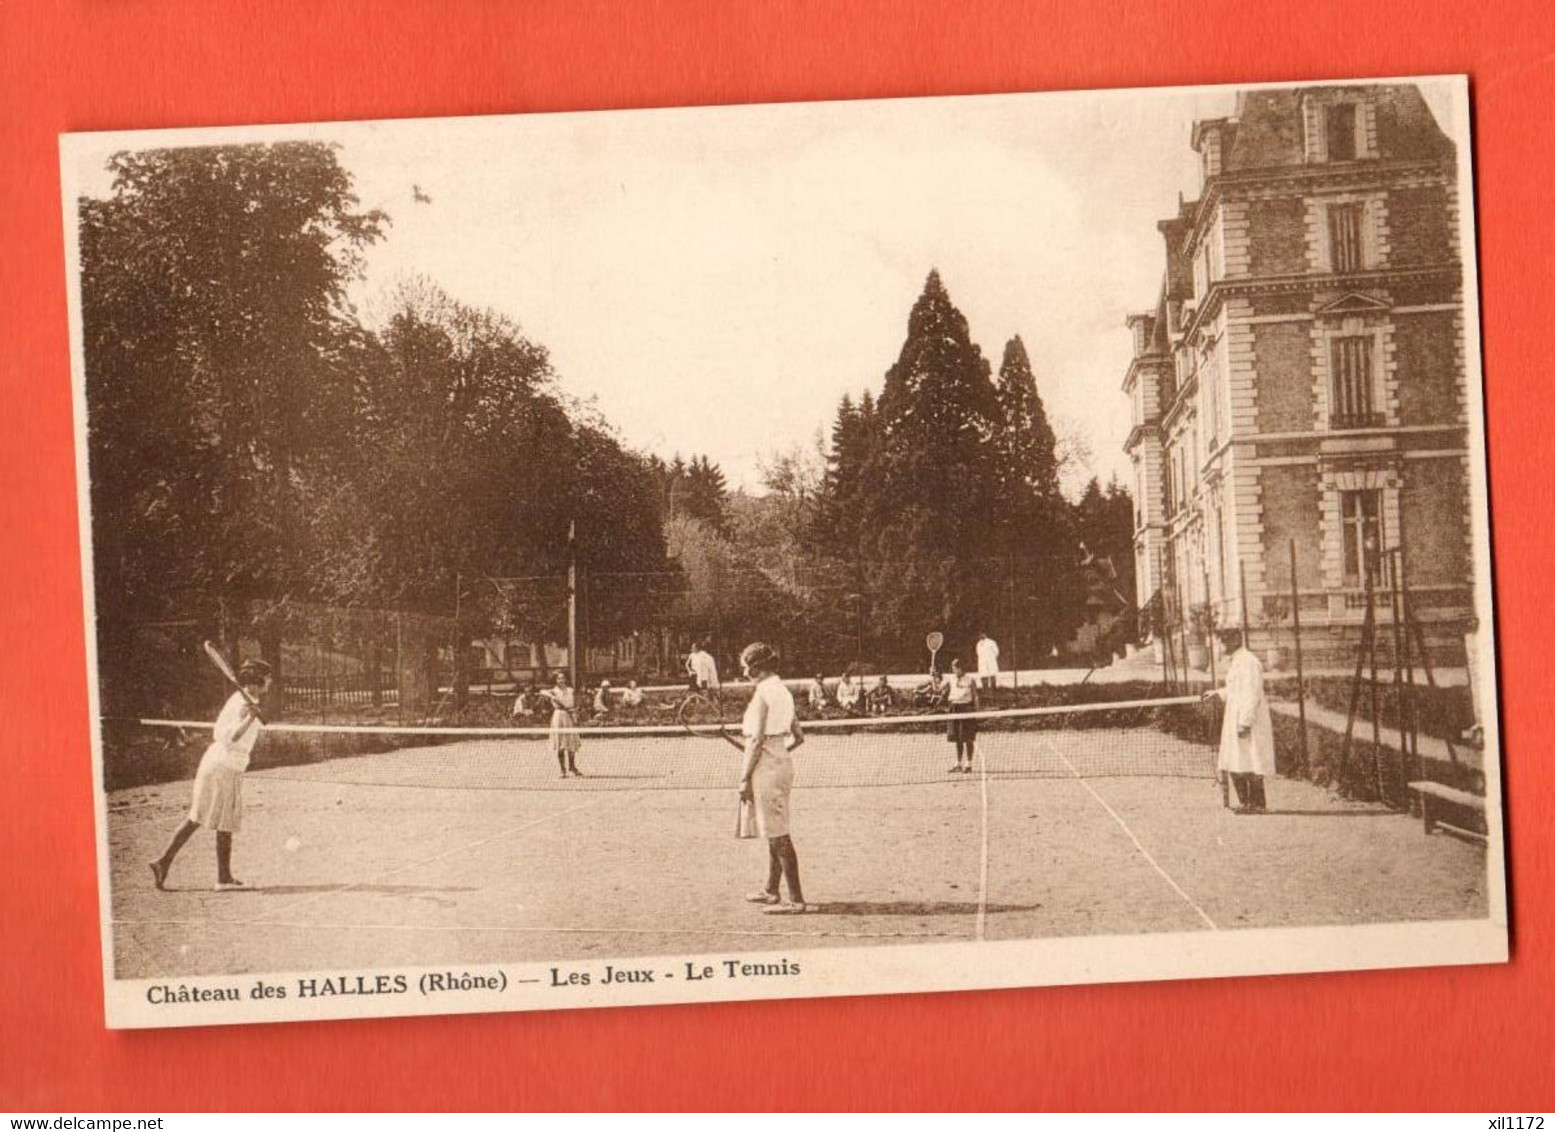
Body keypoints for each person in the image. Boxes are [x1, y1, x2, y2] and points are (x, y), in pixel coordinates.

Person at [149, 659, 272, 891]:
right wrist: (248, 718)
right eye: (267, 677)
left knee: (198, 818)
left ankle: (163, 862)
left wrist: (250, 715)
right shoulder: (241, 704)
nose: (270, 681)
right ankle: (223, 879)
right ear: (258, 680)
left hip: (217, 764)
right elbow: (229, 737)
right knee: (222, 822)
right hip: (224, 766)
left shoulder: (243, 700)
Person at [736, 641, 807, 914]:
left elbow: (755, 739)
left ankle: (796, 900)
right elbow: (799, 737)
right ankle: (771, 890)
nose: (744, 672)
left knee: (778, 833)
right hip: (781, 762)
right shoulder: (783, 692)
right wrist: (775, 753)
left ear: (756, 667)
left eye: (745, 667)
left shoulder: (764, 694)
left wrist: (744, 778)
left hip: (767, 767)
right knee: (773, 829)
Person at [1206, 627, 1275, 813]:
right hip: (1235, 716)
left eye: (1224, 641)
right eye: (1221, 641)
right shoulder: (1237, 661)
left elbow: (1252, 693)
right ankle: (1246, 803)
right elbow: (1235, 690)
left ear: (1236, 640)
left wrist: (1245, 722)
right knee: (1236, 760)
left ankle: (1258, 805)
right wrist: (1218, 693)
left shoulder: (1249, 662)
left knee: (1252, 760)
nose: (1222, 645)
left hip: (1248, 720)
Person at [540, 671, 583, 778]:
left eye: (563, 678)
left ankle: (572, 766)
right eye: (559, 678)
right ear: (555, 680)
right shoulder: (553, 691)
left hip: (569, 716)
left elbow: (576, 702)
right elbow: (541, 691)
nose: (561, 680)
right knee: (560, 743)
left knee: (571, 742)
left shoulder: (570, 690)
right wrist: (552, 696)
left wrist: (574, 713)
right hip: (558, 716)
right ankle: (562, 770)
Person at [942, 658, 980, 774]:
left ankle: (968, 764)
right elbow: (937, 688)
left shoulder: (970, 680)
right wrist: (933, 677)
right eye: (953, 668)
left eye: (957, 668)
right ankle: (958, 764)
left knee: (968, 738)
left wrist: (977, 712)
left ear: (962, 668)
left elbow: (976, 696)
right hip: (954, 709)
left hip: (966, 709)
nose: (955, 670)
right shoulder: (951, 679)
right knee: (957, 739)